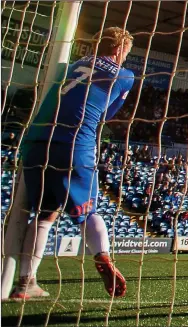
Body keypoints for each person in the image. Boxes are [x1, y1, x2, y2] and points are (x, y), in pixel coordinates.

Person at [8, 27, 134, 299]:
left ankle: (24, 283)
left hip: (37, 141)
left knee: (45, 213)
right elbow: (107, 114)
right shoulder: (124, 75)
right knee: (88, 213)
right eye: (126, 52)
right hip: (75, 143)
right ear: (118, 49)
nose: (125, 58)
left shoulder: (73, 64)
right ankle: (102, 255)